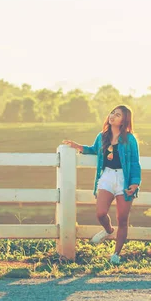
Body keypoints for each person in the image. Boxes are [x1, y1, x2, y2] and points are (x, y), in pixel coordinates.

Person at [62, 105, 141, 264]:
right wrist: (78, 147)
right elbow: (93, 149)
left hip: (124, 180)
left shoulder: (130, 139)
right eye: (112, 112)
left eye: (117, 115)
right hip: (106, 177)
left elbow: (134, 162)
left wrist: (135, 183)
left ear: (124, 120)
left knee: (123, 218)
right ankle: (108, 230)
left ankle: (116, 255)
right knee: (100, 212)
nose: (112, 116)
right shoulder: (102, 136)